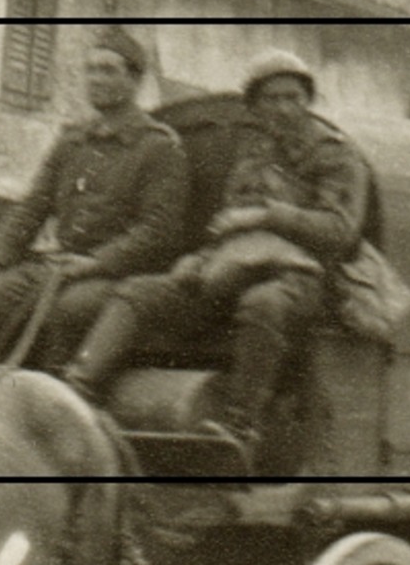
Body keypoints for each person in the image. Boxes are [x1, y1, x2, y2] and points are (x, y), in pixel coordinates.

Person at [63, 49, 371, 457]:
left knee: (262, 304)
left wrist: (267, 215)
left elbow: (339, 232)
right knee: (138, 293)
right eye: (270, 99)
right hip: (233, 268)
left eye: (292, 97)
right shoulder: (253, 152)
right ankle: (75, 394)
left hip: (302, 280)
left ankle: (238, 428)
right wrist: (201, 256)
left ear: (306, 101)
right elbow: (228, 221)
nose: (282, 108)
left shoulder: (335, 154)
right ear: (255, 106)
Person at [0, 27, 189, 370]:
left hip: (118, 276)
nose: (95, 79)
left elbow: (158, 232)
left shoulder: (159, 148)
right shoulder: (73, 141)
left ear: (134, 81)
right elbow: (32, 208)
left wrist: (95, 263)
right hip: (58, 267)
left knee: (70, 308)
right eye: (90, 69)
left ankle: (61, 402)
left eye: (108, 70)